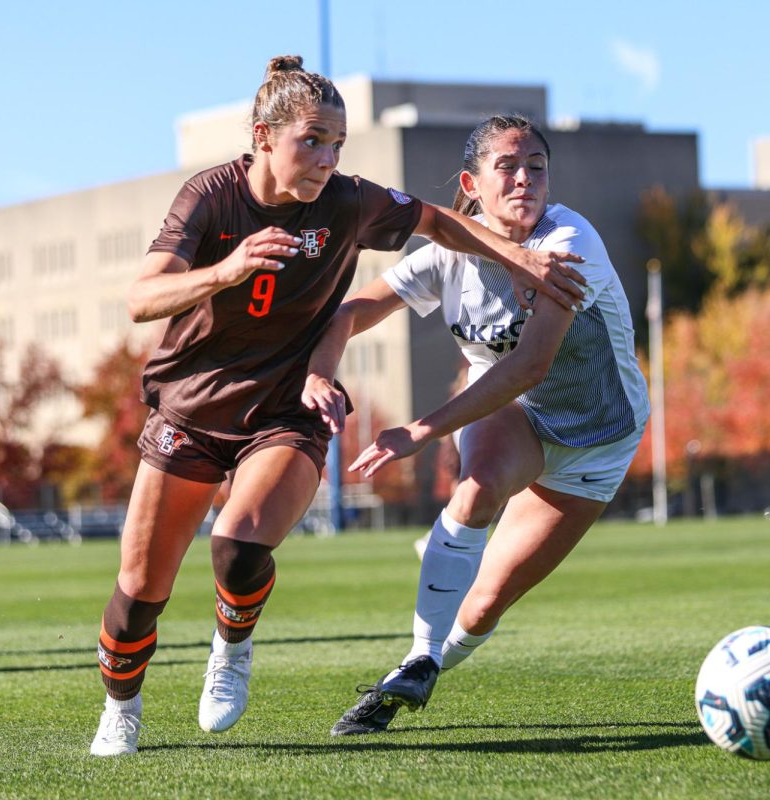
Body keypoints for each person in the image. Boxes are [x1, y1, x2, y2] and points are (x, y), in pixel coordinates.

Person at [89, 58, 587, 757]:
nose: (327, 159)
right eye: (312, 141)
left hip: (288, 409)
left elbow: (438, 223)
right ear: (264, 136)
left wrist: (519, 259)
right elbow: (143, 299)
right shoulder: (211, 196)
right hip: (190, 410)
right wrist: (227, 270)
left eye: (338, 144)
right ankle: (123, 709)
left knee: (239, 543)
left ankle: (230, 650)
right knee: (140, 589)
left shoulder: (347, 202)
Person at [302, 114, 650, 736]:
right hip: (518, 414)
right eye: (507, 168)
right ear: (473, 182)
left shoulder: (569, 243)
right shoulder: (444, 258)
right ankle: (416, 656)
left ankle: (420, 670)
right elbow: (353, 311)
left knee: (485, 603)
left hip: (602, 441)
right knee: (477, 485)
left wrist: (420, 430)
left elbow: (529, 363)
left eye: (536, 167)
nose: (525, 179)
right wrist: (320, 373)